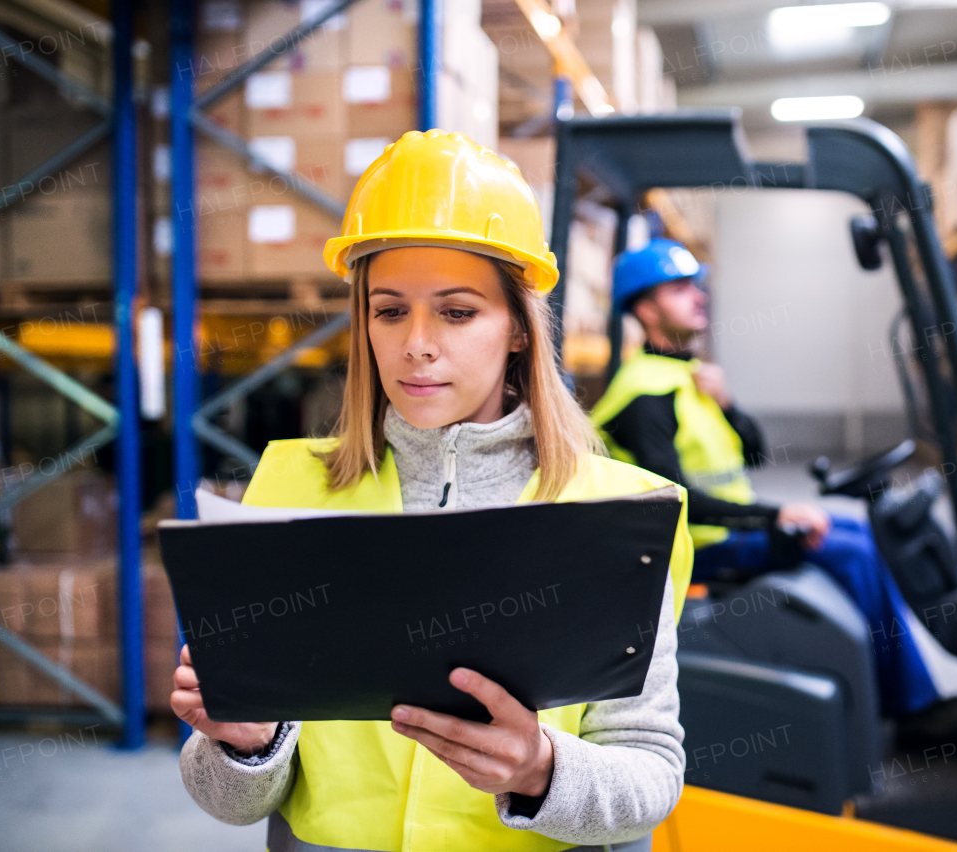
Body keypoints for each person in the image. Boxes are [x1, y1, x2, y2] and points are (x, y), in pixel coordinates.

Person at [173, 131, 693, 852]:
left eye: (456, 312)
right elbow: (227, 801)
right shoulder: (289, 492)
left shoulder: (611, 513)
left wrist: (541, 769)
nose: (416, 343)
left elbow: (651, 779)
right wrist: (245, 745)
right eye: (389, 311)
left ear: (517, 328)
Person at [590, 238, 957, 719]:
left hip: (730, 530)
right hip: (702, 549)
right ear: (645, 309)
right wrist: (776, 514)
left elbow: (754, 454)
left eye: (696, 285)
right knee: (851, 551)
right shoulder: (646, 394)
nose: (698, 296)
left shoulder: (690, 378)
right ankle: (914, 707)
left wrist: (729, 406)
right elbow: (677, 499)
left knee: (860, 530)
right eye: (679, 289)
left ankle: (904, 683)